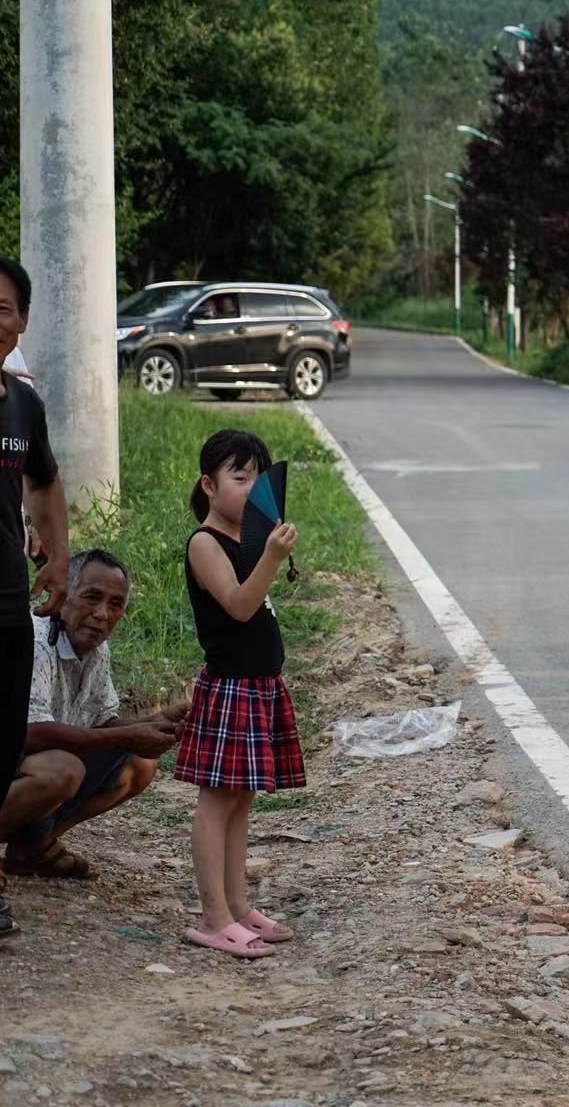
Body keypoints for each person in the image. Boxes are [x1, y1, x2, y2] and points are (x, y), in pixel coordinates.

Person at [176, 429, 302, 958]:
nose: (251, 489)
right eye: (239, 477)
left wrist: (266, 549)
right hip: (229, 689)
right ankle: (212, 916)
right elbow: (240, 605)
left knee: (242, 797)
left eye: (258, 479)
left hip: (257, 687)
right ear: (209, 484)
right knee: (217, 800)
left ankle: (238, 903)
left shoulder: (247, 539)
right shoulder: (205, 543)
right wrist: (272, 557)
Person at [0, 551, 181, 879]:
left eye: (115, 604)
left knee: (139, 766)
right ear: (62, 596)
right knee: (62, 770)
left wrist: (159, 721)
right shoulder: (36, 639)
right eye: (91, 597)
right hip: (18, 757)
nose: (102, 614)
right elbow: (31, 735)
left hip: (30, 764)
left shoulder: (95, 647)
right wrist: (128, 735)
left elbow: (100, 723)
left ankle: (36, 846)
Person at [0, 257, 69, 940]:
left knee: (4, 743)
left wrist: (60, 557)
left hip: (8, 600)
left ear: (19, 323)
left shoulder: (23, 405)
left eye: (2, 307)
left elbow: (44, 483)